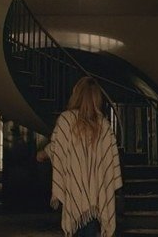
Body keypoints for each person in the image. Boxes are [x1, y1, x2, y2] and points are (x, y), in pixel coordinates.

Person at [36, 76, 122, 237]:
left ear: (76, 94)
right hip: (97, 195)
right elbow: (110, 161)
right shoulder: (104, 125)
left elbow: (56, 147)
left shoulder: (66, 120)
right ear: (97, 98)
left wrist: (42, 154)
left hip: (73, 192)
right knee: (90, 230)